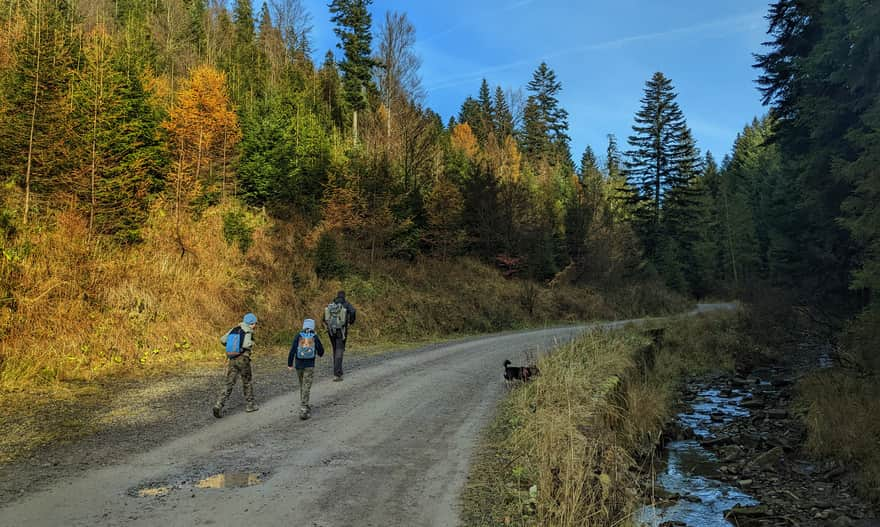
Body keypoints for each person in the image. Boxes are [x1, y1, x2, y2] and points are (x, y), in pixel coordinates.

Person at [213, 313, 259, 417]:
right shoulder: (248, 331)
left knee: (229, 383)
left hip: (232, 359)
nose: (255, 325)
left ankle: (219, 404)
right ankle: (250, 405)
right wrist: (252, 343)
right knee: (247, 382)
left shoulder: (234, 328)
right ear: (251, 323)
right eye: (255, 323)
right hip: (243, 359)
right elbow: (246, 344)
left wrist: (232, 346)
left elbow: (223, 340)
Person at [287, 318, 325, 420]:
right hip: (309, 365)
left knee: (302, 385)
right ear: (312, 326)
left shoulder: (298, 336)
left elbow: (292, 351)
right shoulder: (314, 336)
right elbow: (321, 351)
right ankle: (304, 409)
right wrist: (318, 353)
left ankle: (305, 404)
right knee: (306, 386)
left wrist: (289, 364)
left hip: (299, 365)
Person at [323, 290, 356, 381]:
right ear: (344, 296)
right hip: (341, 331)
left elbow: (324, 317)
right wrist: (350, 322)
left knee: (335, 349)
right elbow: (353, 311)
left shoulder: (331, 305)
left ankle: (337, 370)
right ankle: (337, 374)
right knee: (339, 350)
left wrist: (329, 325)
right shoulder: (346, 304)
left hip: (331, 331)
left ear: (337, 296)